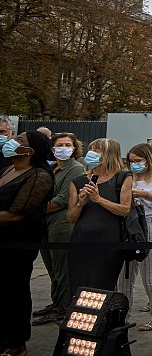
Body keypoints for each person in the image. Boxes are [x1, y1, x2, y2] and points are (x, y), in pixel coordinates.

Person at [0, 131, 55, 356]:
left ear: (30, 151)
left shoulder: (39, 176)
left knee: (12, 291)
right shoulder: (8, 169)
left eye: (19, 140)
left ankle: (15, 343)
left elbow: (17, 213)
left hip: (17, 244)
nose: (12, 142)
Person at [117, 143, 152, 330]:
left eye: (139, 161)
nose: (134, 165)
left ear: (149, 160)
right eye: (131, 161)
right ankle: (122, 315)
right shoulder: (127, 176)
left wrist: (144, 194)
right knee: (124, 276)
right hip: (130, 226)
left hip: (151, 224)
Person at [67, 138, 133, 293]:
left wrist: (98, 199)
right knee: (79, 285)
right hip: (81, 241)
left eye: (96, 150)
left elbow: (124, 209)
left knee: (102, 287)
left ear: (108, 155)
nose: (91, 153)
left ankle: (103, 317)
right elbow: (71, 218)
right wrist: (80, 204)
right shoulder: (78, 181)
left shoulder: (122, 178)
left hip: (108, 242)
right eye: (91, 149)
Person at [34, 133, 85, 326]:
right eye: (59, 145)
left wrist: (32, 209)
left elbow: (63, 199)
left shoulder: (75, 168)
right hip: (46, 223)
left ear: (74, 148)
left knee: (61, 266)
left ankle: (62, 306)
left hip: (61, 223)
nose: (63, 148)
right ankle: (56, 301)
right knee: (51, 266)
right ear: (52, 148)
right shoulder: (52, 168)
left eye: (67, 145)